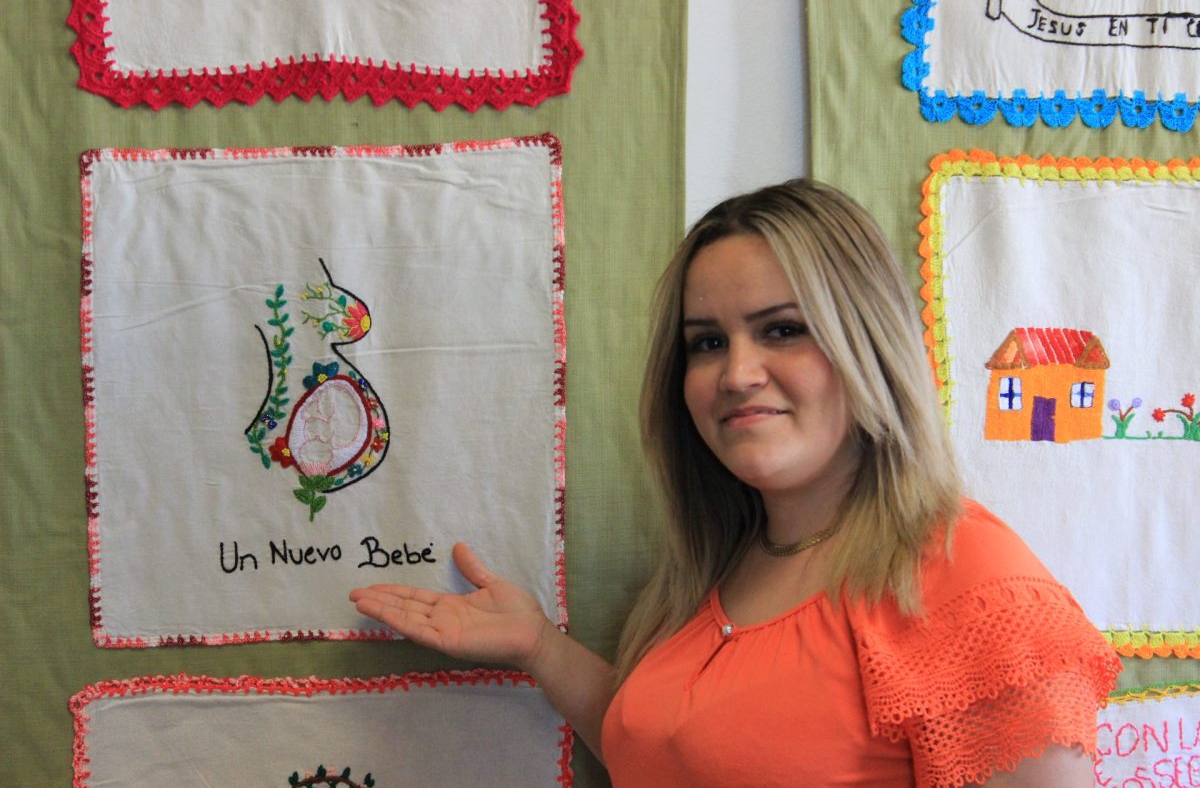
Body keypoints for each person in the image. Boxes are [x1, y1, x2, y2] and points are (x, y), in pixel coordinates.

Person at [349, 179, 1120, 787]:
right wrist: (540, 649)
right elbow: (682, 754)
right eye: (708, 343)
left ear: (869, 345)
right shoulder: (728, 563)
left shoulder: (969, 584)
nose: (737, 374)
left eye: (782, 329)